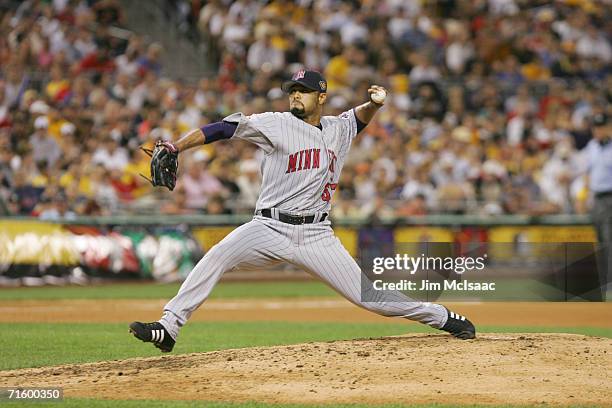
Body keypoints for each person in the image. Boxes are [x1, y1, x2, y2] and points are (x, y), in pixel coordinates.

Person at [129, 70, 476, 352]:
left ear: (320, 97)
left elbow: (360, 117)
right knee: (217, 255)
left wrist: (375, 103)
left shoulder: (339, 128)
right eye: (292, 90)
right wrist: (177, 145)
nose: (295, 95)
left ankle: (440, 316)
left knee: (370, 298)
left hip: (316, 235)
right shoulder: (276, 123)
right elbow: (224, 128)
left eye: (304, 91)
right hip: (268, 227)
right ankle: (169, 326)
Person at [584, 113, 612, 300]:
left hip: (610, 197)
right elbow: (588, 173)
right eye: (596, 127)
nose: (598, 130)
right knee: (602, 244)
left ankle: (609, 288)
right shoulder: (592, 146)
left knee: (610, 244)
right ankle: (604, 286)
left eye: (601, 127)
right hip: (597, 199)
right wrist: (584, 196)